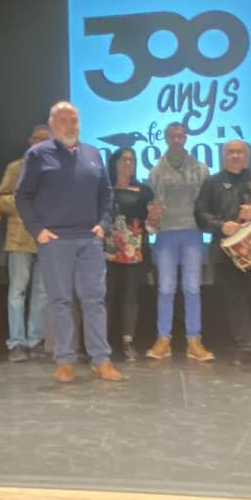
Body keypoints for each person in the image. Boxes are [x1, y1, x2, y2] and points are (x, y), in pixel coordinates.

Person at [15, 101, 124, 383]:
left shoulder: (92, 153)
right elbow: (22, 196)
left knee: (94, 300)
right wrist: (37, 230)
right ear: (52, 125)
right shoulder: (38, 155)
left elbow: (106, 193)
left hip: (89, 240)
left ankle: (101, 359)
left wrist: (103, 225)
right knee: (60, 301)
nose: (69, 125)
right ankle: (65, 361)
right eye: (63, 120)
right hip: (55, 241)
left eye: (73, 119)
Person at [194, 139, 251, 367]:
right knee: (235, 301)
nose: (235, 155)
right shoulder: (212, 183)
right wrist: (220, 226)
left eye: (239, 152)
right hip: (227, 254)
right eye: (230, 152)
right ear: (223, 156)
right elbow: (200, 213)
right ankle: (244, 347)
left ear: (247, 155)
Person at [145, 122, 213, 362]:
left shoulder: (202, 170)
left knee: (192, 288)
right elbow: (151, 207)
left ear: (186, 138)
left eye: (180, 136)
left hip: (193, 232)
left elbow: (206, 203)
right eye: (172, 136)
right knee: (165, 288)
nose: (176, 139)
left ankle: (194, 340)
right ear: (166, 138)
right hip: (165, 235)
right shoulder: (155, 173)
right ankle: (163, 339)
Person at [0, 125, 52, 362]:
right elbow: (1, 200)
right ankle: (16, 343)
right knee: (17, 291)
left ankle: (35, 341)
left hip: (46, 239)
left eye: (46, 140)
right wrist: (26, 204)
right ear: (30, 141)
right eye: (37, 139)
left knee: (41, 293)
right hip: (19, 238)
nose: (40, 143)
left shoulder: (54, 169)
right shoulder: (15, 168)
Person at [105, 147, 153, 362]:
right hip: (107, 250)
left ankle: (127, 343)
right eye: (123, 160)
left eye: (131, 160)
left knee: (130, 297)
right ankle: (102, 343)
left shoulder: (144, 191)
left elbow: (151, 222)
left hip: (134, 250)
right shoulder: (103, 189)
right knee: (106, 296)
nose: (127, 163)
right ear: (114, 163)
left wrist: (155, 218)